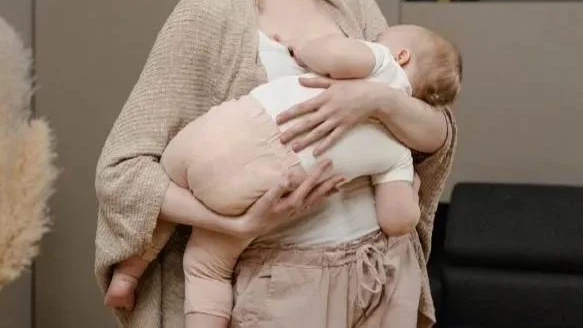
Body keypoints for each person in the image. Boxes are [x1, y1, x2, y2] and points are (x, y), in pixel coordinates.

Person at [94, 0, 458, 328]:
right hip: (281, 284)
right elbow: (124, 173)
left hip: (382, 271)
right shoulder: (207, 17)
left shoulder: (349, 0)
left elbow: (436, 134)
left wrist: (372, 99)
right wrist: (233, 222)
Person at [102, 23, 462, 326]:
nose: (374, 39)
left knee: (169, 176)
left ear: (401, 57)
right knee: (208, 268)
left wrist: (303, 48)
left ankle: (129, 272)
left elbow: (333, 56)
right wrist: (411, 187)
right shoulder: (398, 149)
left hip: (223, 131)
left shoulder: (379, 62)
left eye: (383, 37)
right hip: (268, 187)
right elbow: (397, 218)